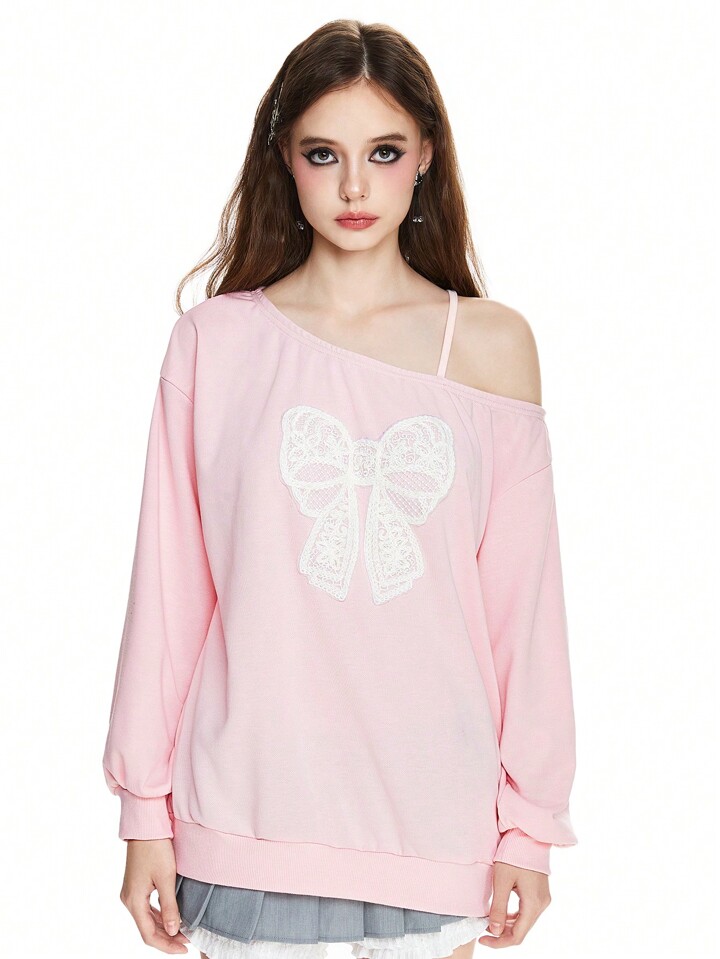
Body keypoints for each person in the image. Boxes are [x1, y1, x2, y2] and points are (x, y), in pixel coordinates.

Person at [102, 18, 578, 959]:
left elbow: (522, 613)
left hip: (433, 829)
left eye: (384, 152)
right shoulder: (215, 343)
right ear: (285, 158)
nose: (355, 186)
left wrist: (529, 827)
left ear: (426, 156)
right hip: (247, 818)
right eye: (324, 153)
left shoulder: (491, 347)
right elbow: (170, 591)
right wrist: (143, 811)